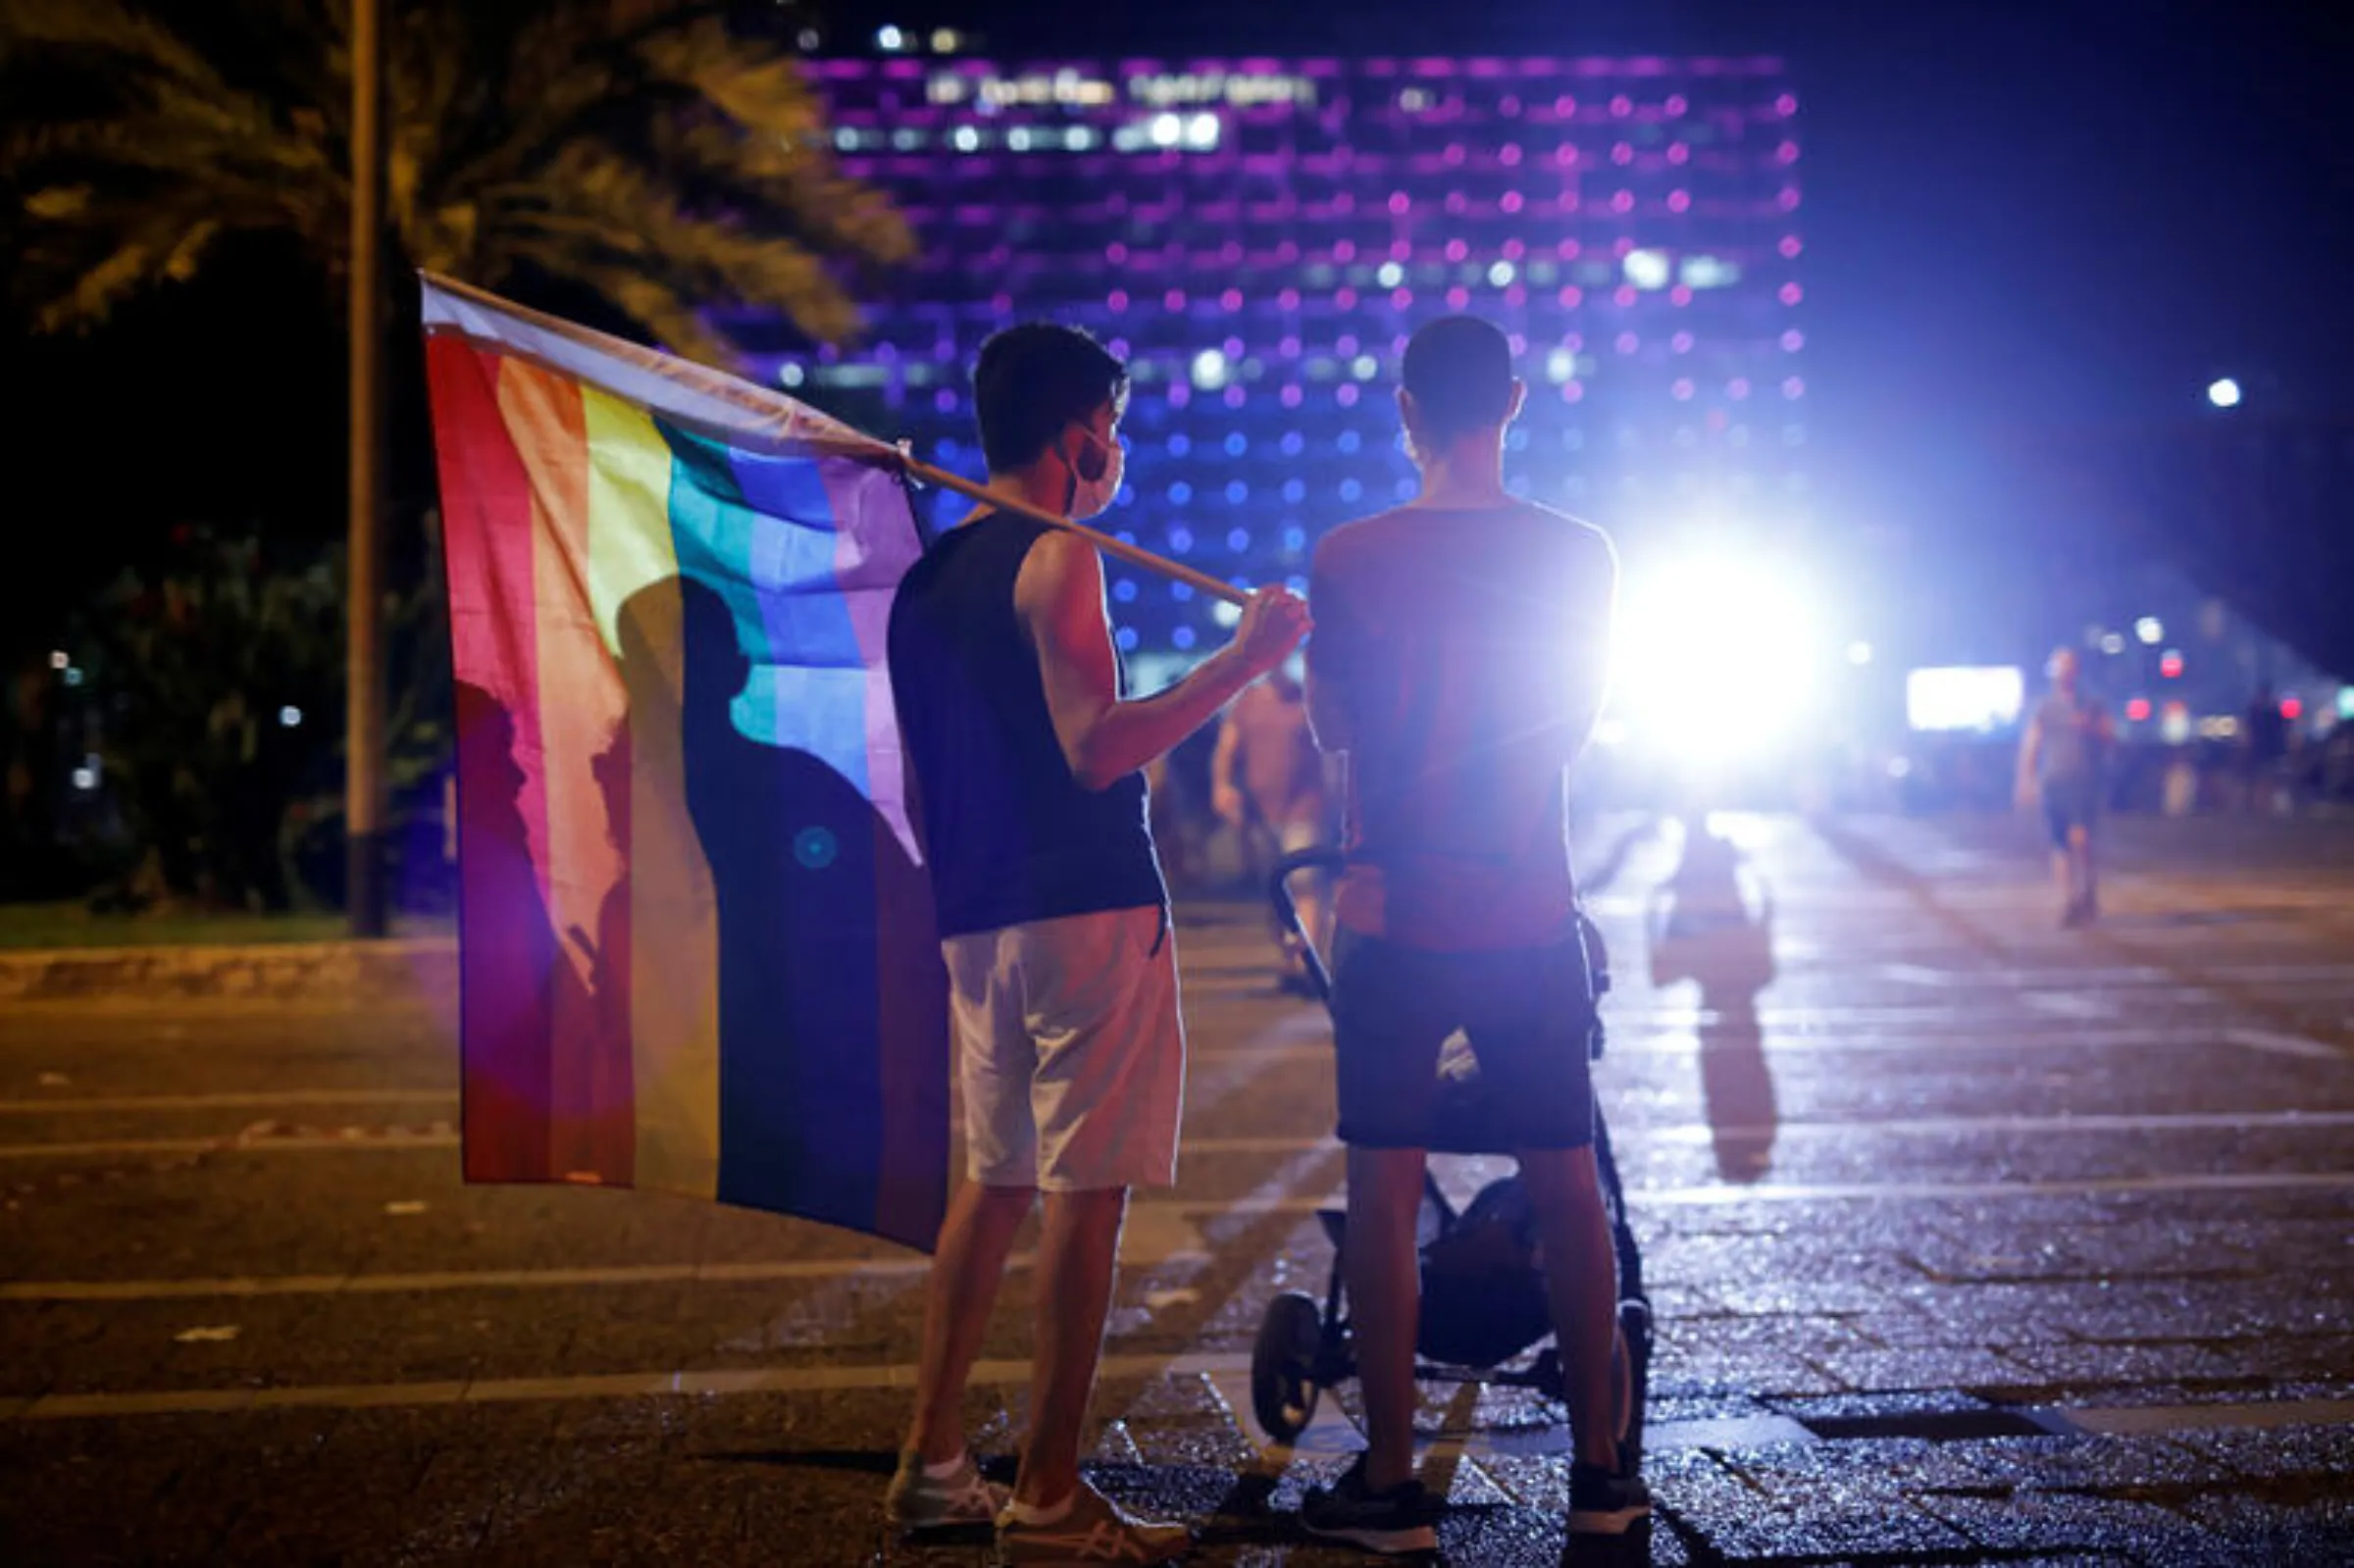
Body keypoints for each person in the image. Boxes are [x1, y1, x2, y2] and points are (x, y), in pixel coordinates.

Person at [883, 322, 1309, 1563]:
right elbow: (1095, 748)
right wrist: (1244, 664)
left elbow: (927, 778)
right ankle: (1052, 1496)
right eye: (1110, 428)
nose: (1113, 451)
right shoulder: (1061, 552)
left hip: (975, 914)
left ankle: (933, 1460)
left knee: (996, 1180)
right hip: (1086, 906)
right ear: (1077, 436)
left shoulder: (923, 580)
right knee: (1083, 1193)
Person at [1300, 316, 1650, 1553]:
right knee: (1566, 1181)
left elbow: (1335, 735)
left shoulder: (1348, 556)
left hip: (1392, 909)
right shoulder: (1581, 554)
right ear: (1510, 403)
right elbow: (1568, 733)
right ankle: (1603, 1474)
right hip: (1526, 907)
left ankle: (1392, 1488)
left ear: (1404, 411)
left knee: (1385, 1192)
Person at [1210, 661, 1333, 991]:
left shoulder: (1305, 699)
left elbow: (1330, 753)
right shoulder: (1248, 701)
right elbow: (1228, 746)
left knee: (1303, 885)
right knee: (1274, 890)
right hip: (1261, 812)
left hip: (1304, 806)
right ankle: (1290, 957)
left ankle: (1304, 964)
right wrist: (1222, 786)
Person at [2016, 646, 2115, 927]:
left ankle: (2089, 890)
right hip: (2054, 780)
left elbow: (2110, 737)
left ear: (2076, 671)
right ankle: (2069, 899)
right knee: (2060, 844)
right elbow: (2032, 743)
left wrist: (2091, 728)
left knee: (2081, 840)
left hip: (2084, 781)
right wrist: (2026, 778)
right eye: (2059, 667)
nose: (2064, 672)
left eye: (2069, 667)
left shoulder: (2091, 704)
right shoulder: (2045, 706)